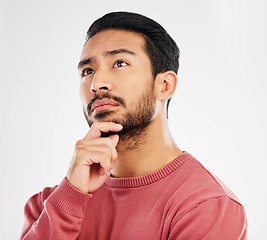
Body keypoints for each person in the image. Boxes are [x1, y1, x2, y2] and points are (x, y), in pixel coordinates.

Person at [20, 11, 247, 240]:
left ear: (165, 85)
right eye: (88, 71)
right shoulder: (48, 207)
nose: (97, 84)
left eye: (120, 63)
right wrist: (69, 196)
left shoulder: (206, 205)